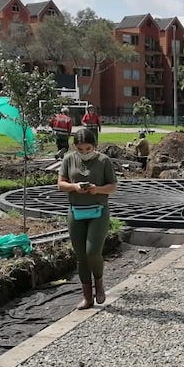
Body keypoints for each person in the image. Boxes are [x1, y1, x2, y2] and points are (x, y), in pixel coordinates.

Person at [57, 128, 118, 310]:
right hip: (76, 211)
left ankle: (98, 282)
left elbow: (112, 186)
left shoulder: (103, 161)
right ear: (75, 147)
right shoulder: (69, 159)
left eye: (88, 149)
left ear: (95, 146)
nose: (84, 153)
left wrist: (96, 189)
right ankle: (87, 296)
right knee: (81, 256)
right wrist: (74, 187)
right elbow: (61, 184)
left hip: (98, 211)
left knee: (92, 252)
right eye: (80, 149)